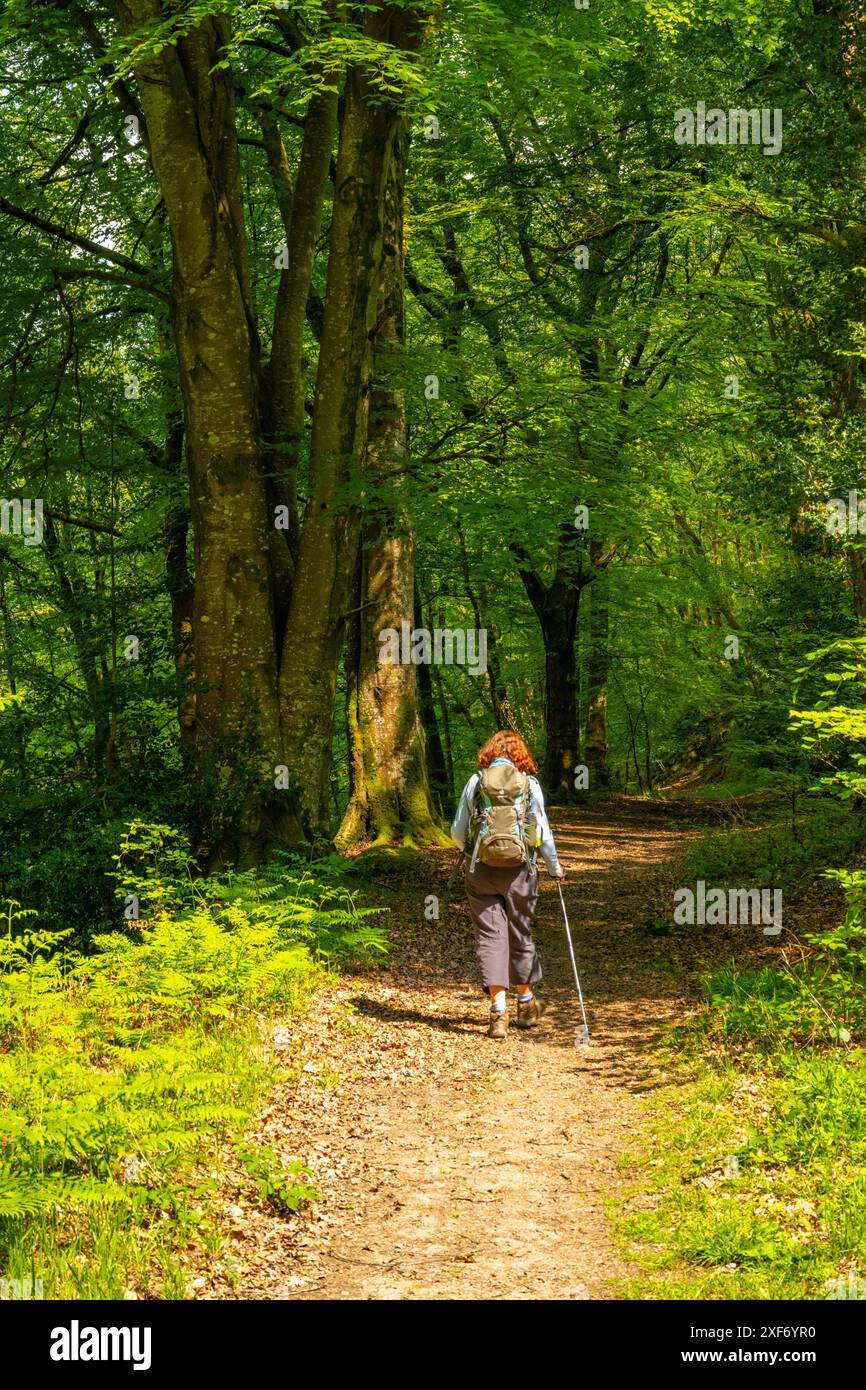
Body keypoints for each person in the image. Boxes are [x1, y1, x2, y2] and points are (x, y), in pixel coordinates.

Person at [451, 730, 565, 1040]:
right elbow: (542, 832)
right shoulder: (529, 782)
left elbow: (457, 832)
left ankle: (498, 1013)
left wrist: (473, 851)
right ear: (520, 755)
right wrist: (554, 868)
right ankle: (526, 1006)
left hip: (481, 871)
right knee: (520, 932)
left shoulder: (477, 781)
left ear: (488, 754)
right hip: (521, 871)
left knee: (491, 937)